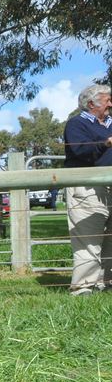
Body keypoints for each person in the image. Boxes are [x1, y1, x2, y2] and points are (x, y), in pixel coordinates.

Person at [62, 84, 112, 295]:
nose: (110, 103)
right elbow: (79, 150)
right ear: (91, 104)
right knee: (88, 239)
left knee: (110, 237)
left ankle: (105, 283)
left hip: (110, 187)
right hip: (87, 189)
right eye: (107, 99)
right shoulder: (76, 124)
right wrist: (106, 143)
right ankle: (83, 288)